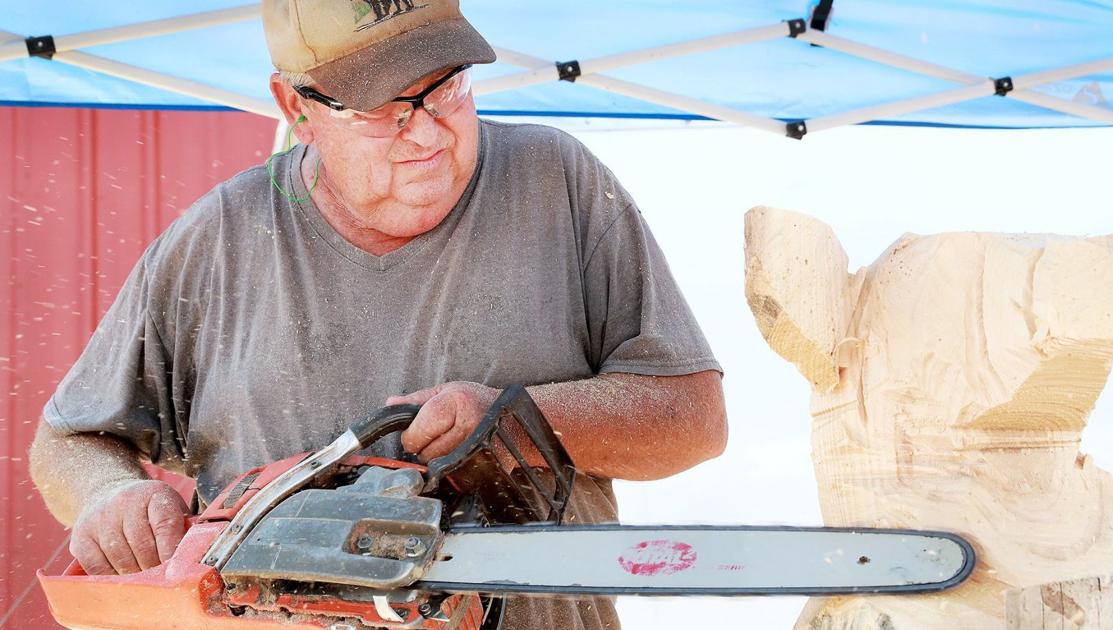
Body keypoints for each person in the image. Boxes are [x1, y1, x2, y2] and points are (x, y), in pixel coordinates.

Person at [28, 1, 726, 628]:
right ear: (296, 106)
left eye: (445, 87)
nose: (425, 133)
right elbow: (68, 440)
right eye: (380, 109)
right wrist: (110, 496)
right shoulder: (221, 239)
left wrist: (518, 417)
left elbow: (693, 419)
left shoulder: (557, 185)